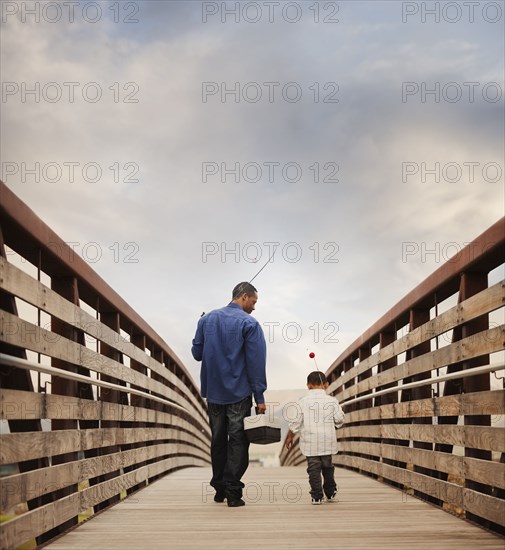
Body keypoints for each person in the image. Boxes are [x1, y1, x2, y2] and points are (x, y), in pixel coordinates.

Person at [191, 282, 267, 507]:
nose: (254, 308)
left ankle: (219, 488)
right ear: (244, 297)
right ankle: (233, 492)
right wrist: (260, 398)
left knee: (218, 441)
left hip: (213, 393)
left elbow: (196, 354)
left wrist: (200, 326)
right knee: (237, 441)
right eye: (253, 302)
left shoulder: (206, 320)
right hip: (239, 394)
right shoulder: (249, 323)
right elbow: (256, 363)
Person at [285, 371, 345, 505]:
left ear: (308, 385)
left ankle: (316, 496)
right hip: (327, 441)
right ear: (326, 384)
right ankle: (330, 493)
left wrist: (290, 437)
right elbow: (340, 419)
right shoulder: (332, 401)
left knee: (313, 468)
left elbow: (295, 422)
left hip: (310, 442)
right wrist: (337, 420)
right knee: (327, 467)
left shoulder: (302, 402)